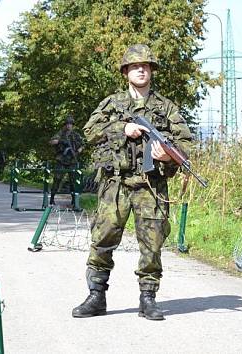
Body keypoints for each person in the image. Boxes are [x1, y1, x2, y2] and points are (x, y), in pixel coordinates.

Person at [72, 44, 193, 320]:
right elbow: (89, 131)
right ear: (126, 72)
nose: (141, 69)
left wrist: (169, 155)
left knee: (152, 244)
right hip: (115, 184)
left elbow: (185, 143)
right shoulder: (113, 103)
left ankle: (148, 299)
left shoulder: (166, 108)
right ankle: (96, 296)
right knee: (102, 239)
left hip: (151, 186)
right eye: (135, 66)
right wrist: (122, 128)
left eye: (146, 65)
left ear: (151, 71)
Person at [48, 115, 84, 206]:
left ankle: (74, 200)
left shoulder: (76, 135)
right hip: (61, 160)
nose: (69, 126)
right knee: (57, 179)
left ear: (73, 125)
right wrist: (60, 141)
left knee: (73, 181)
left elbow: (82, 145)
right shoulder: (60, 133)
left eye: (70, 124)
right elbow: (51, 141)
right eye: (67, 124)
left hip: (72, 161)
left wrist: (77, 152)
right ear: (65, 125)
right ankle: (52, 198)